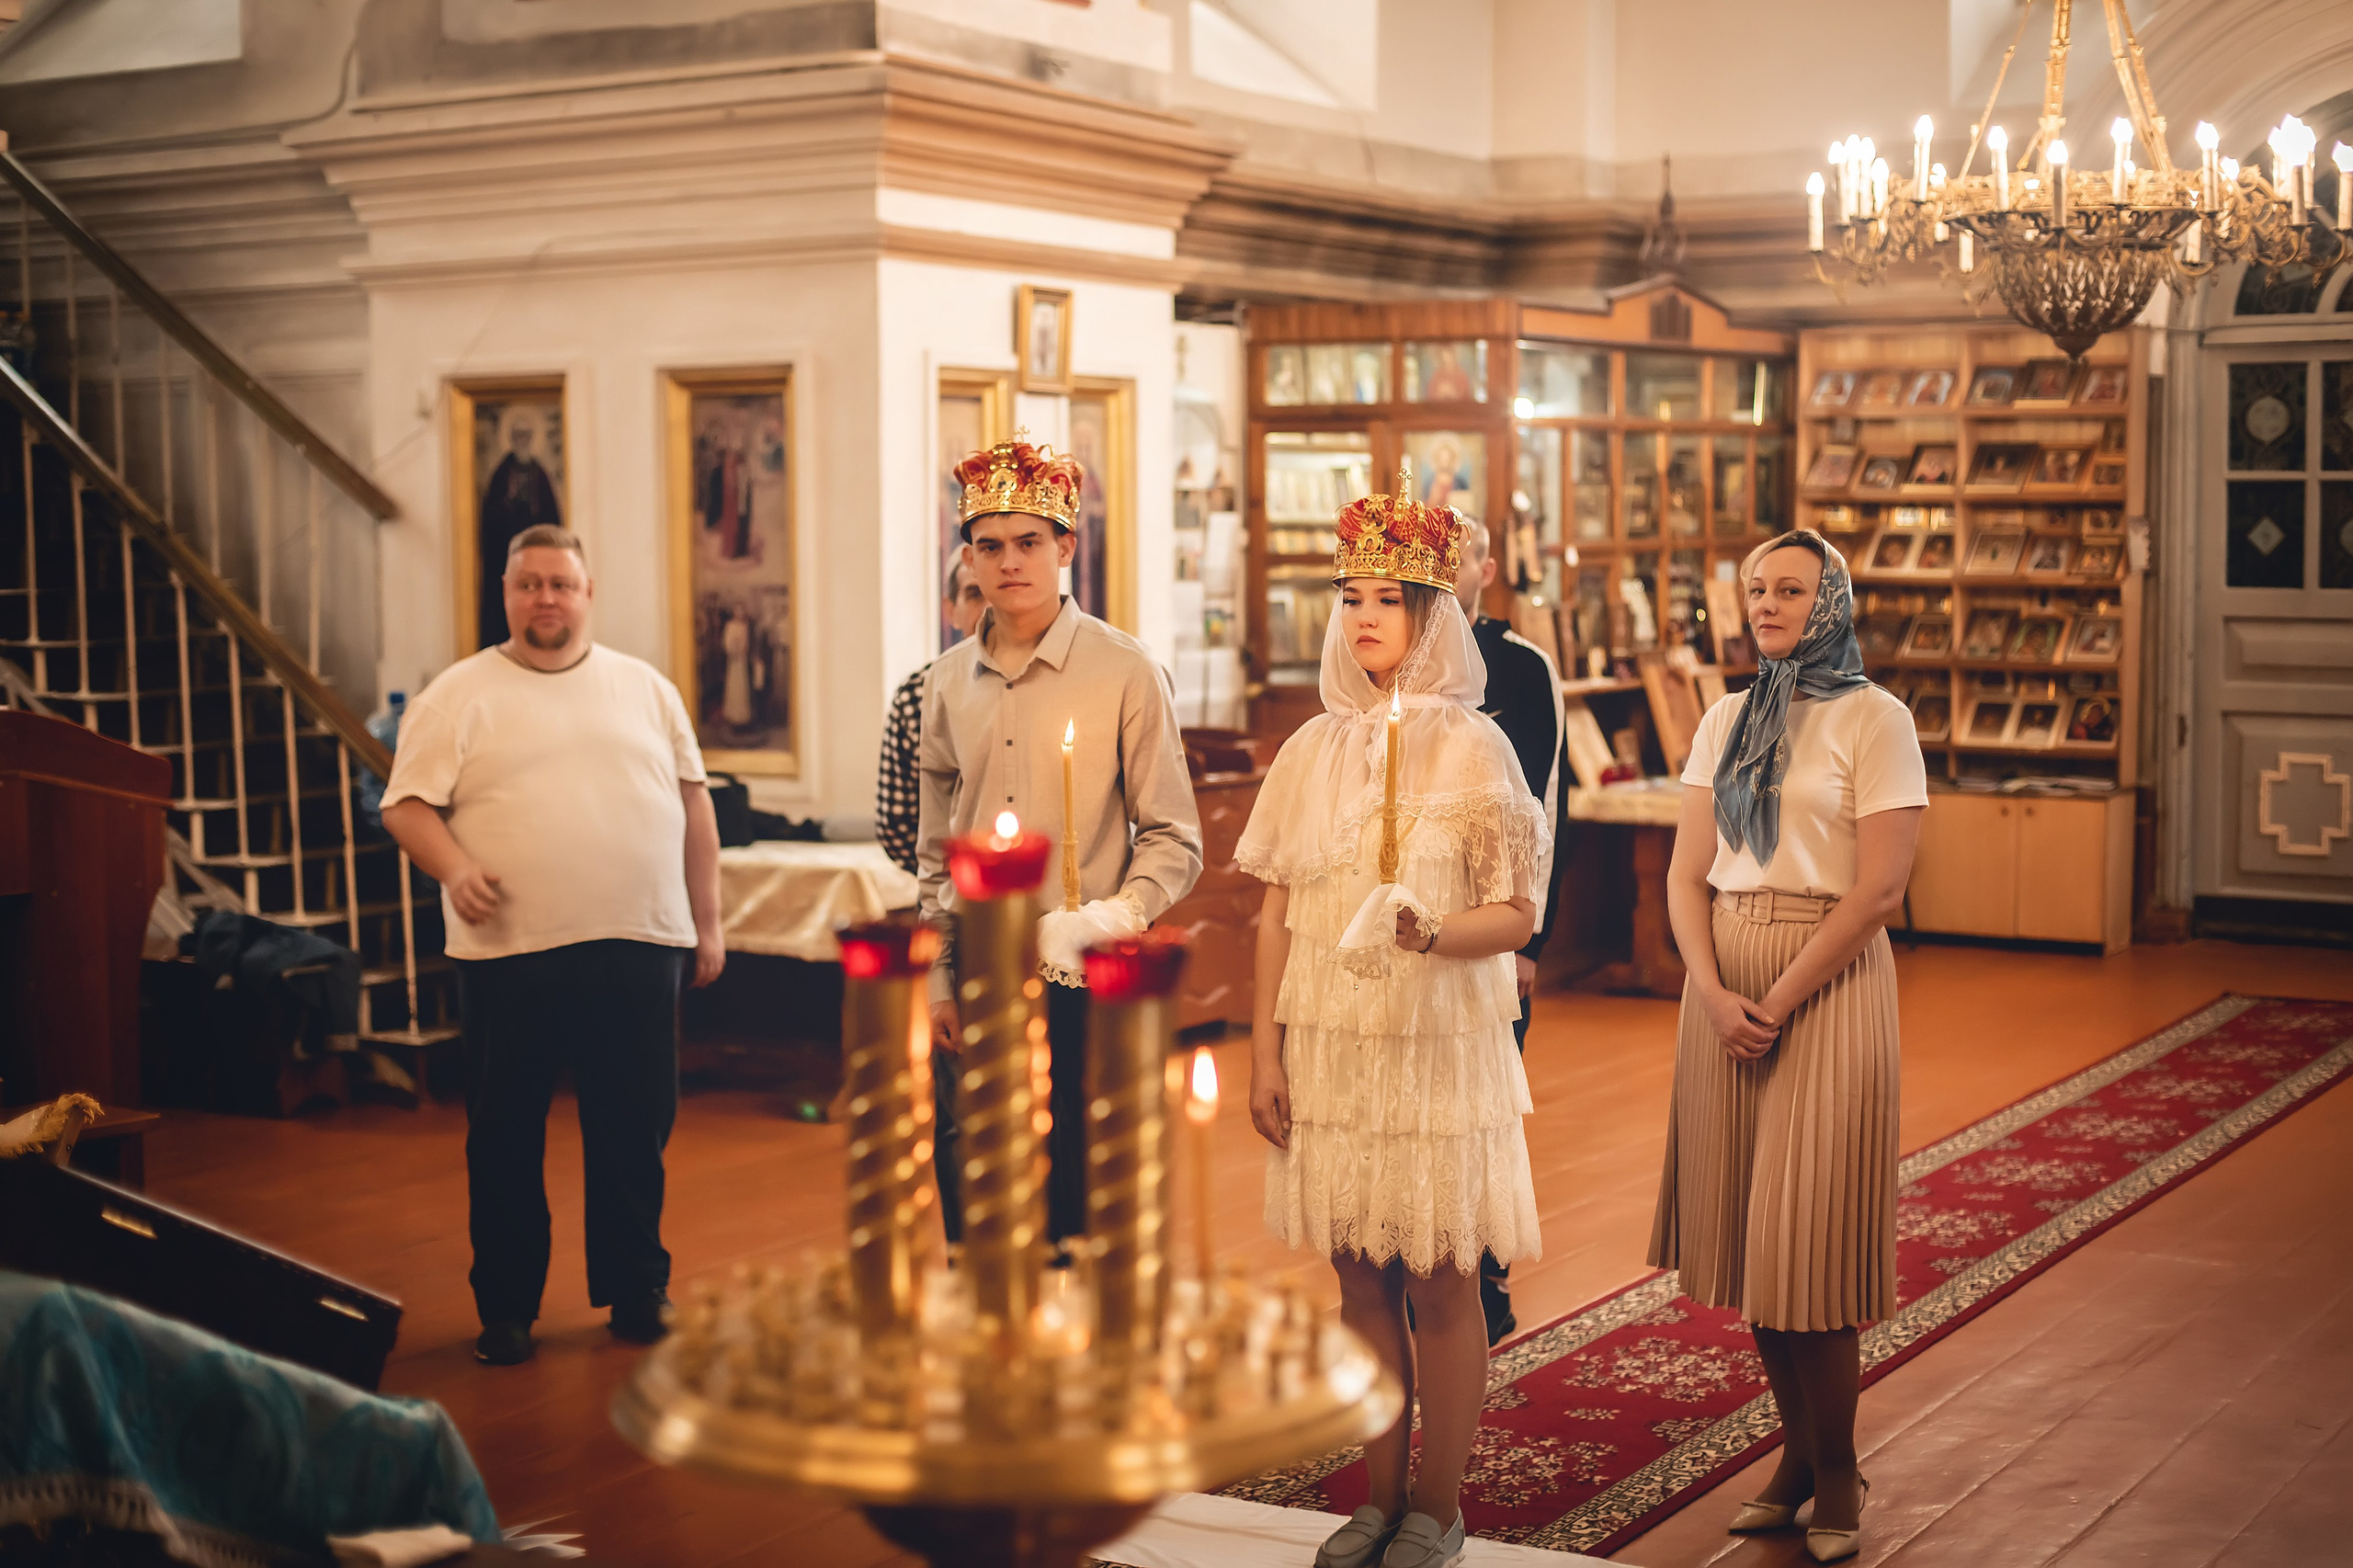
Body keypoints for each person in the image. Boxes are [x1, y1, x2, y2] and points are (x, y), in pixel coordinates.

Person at [1242, 474, 1548, 1568]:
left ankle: (1437, 1502)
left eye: (1389, 597)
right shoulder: (1308, 749)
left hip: (1435, 1042)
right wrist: (1263, 1050)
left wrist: (1430, 934)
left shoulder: (1477, 750)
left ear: (1432, 618)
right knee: (1358, 1270)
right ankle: (1375, 1496)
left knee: (1439, 1270)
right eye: (1351, 595)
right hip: (1331, 1043)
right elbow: (1276, 909)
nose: (1364, 614)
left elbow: (1520, 910)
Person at [382, 523, 725, 1368]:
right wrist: (454, 867)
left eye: (561, 584)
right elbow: (406, 807)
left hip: (640, 941)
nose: (546, 598)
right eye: (530, 584)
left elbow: (694, 809)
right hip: (510, 951)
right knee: (504, 1135)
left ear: (587, 594)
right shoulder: (457, 695)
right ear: (506, 595)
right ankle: (506, 1308)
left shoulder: (645, 689)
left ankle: (637, 1289)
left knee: (634, 1127)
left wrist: (708, 921)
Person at [1646, 529, 1925, 1563]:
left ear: (1832, 601)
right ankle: (1796, 1458)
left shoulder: (1875, 718)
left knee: (1810, 1241)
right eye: (1756, 587)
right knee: (1751, 1241)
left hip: (1830, 976)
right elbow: (1686, 873)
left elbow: (1882, 888)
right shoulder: (1724, 716)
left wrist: (1780, 992)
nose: (1767, 604)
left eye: (1791, 589)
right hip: (1722, 980)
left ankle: (1842, 1462)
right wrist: (1715, 993)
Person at [917, 438, 1201, 1246]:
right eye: (990, 545)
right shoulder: (944, 684)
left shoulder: (1124, 671)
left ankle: (1082, 1346)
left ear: (1067, 547)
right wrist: (941, 973)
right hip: (979, 960)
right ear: (968, 556)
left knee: (1081, 1176)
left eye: (1029, 543)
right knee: (975, 1167)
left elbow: (1174, 835)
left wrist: (1112, 918)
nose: (1009, 563)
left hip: (1083, 967)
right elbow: (936, 848)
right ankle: (988, 1340)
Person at [1450, 518, 1565, 1346]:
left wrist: (1529, 941)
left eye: (1456, 555)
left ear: (1486, 570)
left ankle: (1485, 1275)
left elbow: (1539, 810)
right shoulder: (1383, 666)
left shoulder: (1521, 667)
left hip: (1495, 924)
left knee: (1486, 1100)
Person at [875, 556, 988, 874]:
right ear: (951, 610)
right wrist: (958, 875)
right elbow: (896, 825)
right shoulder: (918, 695)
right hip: (953, 896)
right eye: (975, 594)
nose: (990, 608)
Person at [474, 412, 563, 653]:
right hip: (505, 552)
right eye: (518, 435)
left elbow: (553, 522)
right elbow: (491, 517)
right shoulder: (502, 474)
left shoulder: (540, 474)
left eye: (526, 435)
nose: (522, 440)